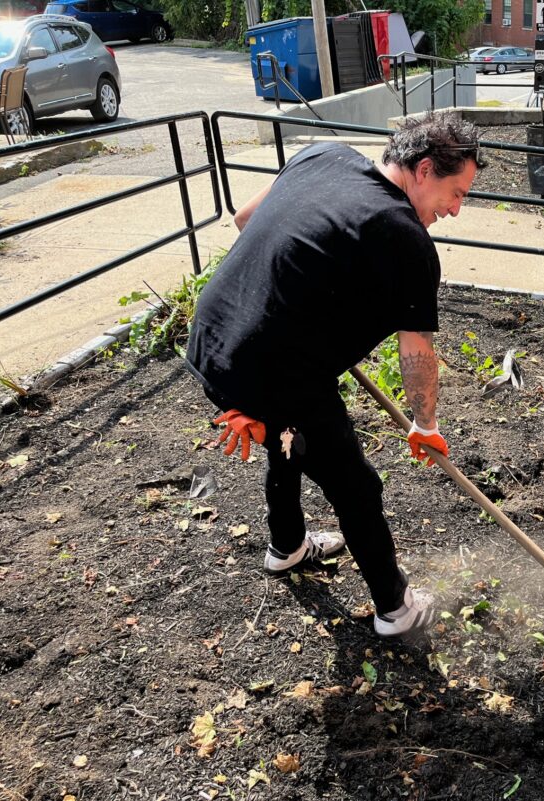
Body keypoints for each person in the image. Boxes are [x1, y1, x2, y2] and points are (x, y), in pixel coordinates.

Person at [185, 112, 484, 639]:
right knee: (355, 485)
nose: (457, 210)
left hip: (211, 339)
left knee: (289, 440)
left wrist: (310, 301)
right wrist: (425, 424)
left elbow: (244, 220)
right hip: (270, 368)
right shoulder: (406, 240)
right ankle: (396, 610)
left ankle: (287, 547)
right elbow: (415, 352)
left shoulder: (324, 154)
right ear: (424, 169)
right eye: (456, 193)